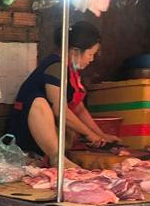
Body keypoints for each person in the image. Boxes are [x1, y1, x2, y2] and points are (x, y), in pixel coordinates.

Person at [7, 20, 119, 168]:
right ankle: (56, 158)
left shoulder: (71, 70)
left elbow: (79, 109)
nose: (91, 59)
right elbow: (60, 110)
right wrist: (89, 134)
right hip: (25, 135)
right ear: (74, 51)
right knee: (38, 102)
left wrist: (100, 135)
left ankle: (58, 157)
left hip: (47, 137)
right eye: (91, 54)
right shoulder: (56, 67)